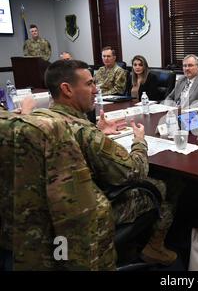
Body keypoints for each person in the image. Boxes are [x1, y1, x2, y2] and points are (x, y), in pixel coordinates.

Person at [37, 59, 178, 266]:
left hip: (52, 212)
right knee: (166, 185)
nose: (96, 90)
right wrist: (139, 142)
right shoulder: (85, 132)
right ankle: (154, 247)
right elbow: (135, 172)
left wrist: (98, 131)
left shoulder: (42, 120)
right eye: (89, 84)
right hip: (93, 211)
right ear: (67, 89)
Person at [0, 109, 116, 270]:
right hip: (50, 247)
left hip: (11, 242)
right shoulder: (46, 129)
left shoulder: (14, 126)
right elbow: (72, 212)